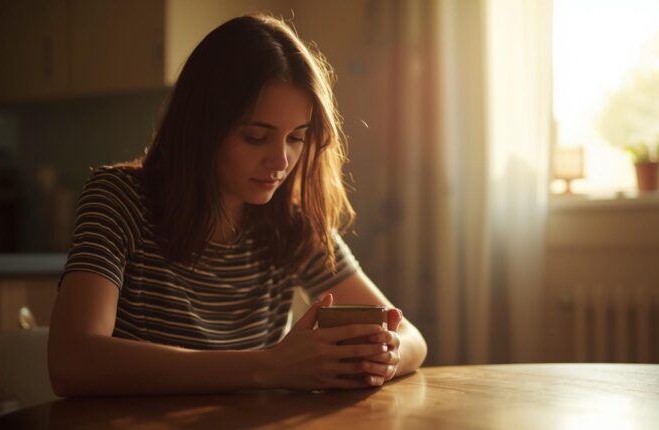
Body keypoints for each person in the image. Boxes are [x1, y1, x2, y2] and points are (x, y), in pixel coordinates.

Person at [47, 14, 427, 396]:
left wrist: (389, 355)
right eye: (256, 136)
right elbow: (71, 360)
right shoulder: (119, 198)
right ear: (202, 128)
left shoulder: (289, 222)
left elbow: (412, 338)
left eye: (297, 138)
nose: (280, 161)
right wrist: (270, 365)